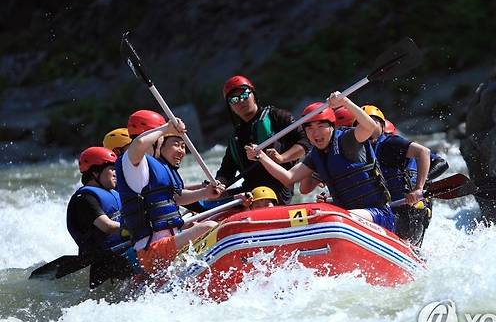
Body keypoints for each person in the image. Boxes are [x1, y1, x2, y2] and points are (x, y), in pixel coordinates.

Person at [246, 93, 395, 231]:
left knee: (334, 218)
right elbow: (288, 178)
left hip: (377, 214)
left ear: (332, 127)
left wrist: (344, 101)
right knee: (322, 218)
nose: (315, 133)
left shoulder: (348, 140)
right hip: (343, 217)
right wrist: (261, 157)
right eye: (309, 128)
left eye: (320, 126)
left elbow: (370, 126)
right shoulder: (315, 156)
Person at [115, 117, 223, 275]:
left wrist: (204, 193)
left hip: (166, 244)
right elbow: (138, 144)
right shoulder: (134, 165)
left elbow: (176, 198)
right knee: (210, 228)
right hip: (151, 249)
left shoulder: (156, 167)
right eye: (163, 139)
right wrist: (166, 128)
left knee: (204, 226)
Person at [215, 75, 310, 204]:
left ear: (253, 95)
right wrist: (218, 185)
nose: (240, 102)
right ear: (230, 106)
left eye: (244, 95)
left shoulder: (277, 116)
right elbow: (226, 171)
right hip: (250, 192)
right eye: (234, 100)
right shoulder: (236, 137)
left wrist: (283, 158)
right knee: (207, 200)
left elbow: (305, 142)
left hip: (278, 190)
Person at [360, 104, 439, 247]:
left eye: (373, 121)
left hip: (406, 212)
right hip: (385, 211)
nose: (368, 126)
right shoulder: (360, 152)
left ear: (382, 126)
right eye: (362, 123)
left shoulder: (391, 143)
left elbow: (424, 153)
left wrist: (418, 188)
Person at [66, 147, 126, 256]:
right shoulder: (85, 198)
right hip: (101, 259)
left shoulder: (115, 193)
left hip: (121, 250)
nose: (115, 173)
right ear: (95, 172)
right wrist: (131, 228)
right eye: (111, 169)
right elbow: (107, 226)